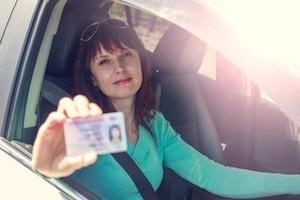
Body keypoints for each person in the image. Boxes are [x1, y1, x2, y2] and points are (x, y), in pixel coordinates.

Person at [32, 18, 300, 200]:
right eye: (104, 61)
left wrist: (293, 183)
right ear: (92, 78)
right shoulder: (92, 129)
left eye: (126, 54)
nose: (119, 68)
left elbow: (209, 174)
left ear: (141, 61)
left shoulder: (152, 122)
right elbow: (50, 172)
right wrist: (45, 169)